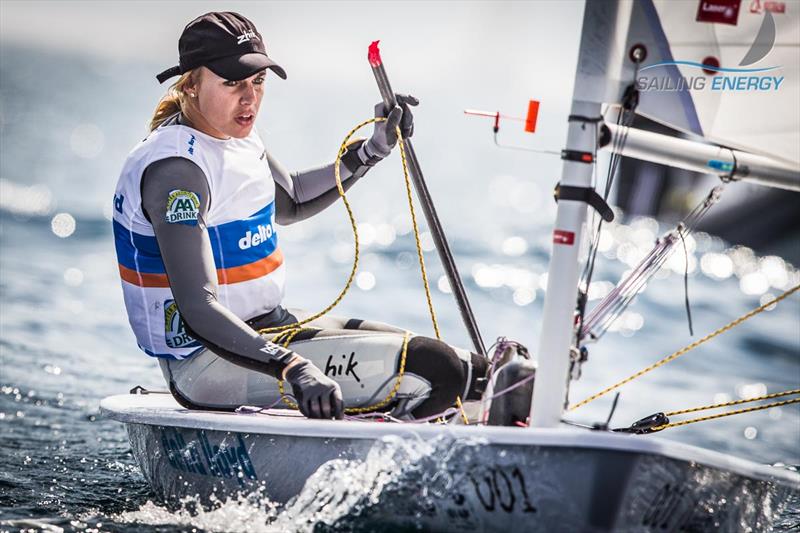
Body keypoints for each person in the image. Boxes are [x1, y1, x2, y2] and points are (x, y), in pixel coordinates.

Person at [113, 11, 488, 421]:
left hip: (269, 332)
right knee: (436, 370)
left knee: (476, 372)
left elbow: (290, 200)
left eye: (257, 81)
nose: (250, 98)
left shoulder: (235, 137)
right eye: (233, 83)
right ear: (191, 84)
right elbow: (198, 309)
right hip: (209, 364)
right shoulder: (177, 172)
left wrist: (370, 152)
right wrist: (293, 367)